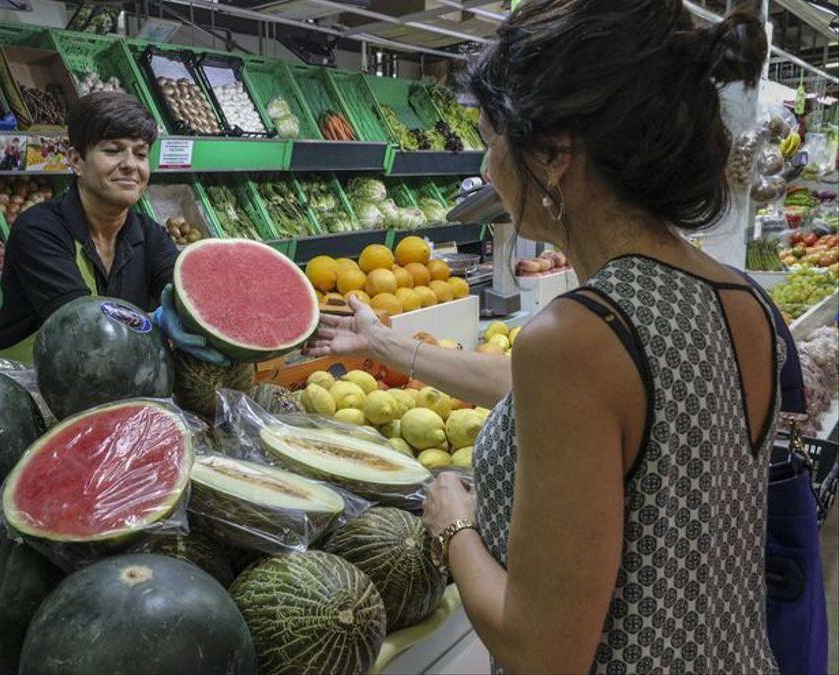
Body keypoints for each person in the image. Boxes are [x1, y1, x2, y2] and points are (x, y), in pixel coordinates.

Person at [306, 2, 781, 672]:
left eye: (493, 136)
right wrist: (385, 345)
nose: (488, 162)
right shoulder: (740, 298)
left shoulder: (578, 333)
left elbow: (541, 651)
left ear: (556, 154)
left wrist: (453, 525)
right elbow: (611, 403)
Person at [0, 91, 222, 364]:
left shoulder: (150, 235)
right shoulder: (39, 229)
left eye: (141, 153)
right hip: (25, 381)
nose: (131, 165)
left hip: (108, 376)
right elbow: (81, 325)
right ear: (76, 161)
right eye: (112, 150)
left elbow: (184, 293)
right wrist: (154, 320)